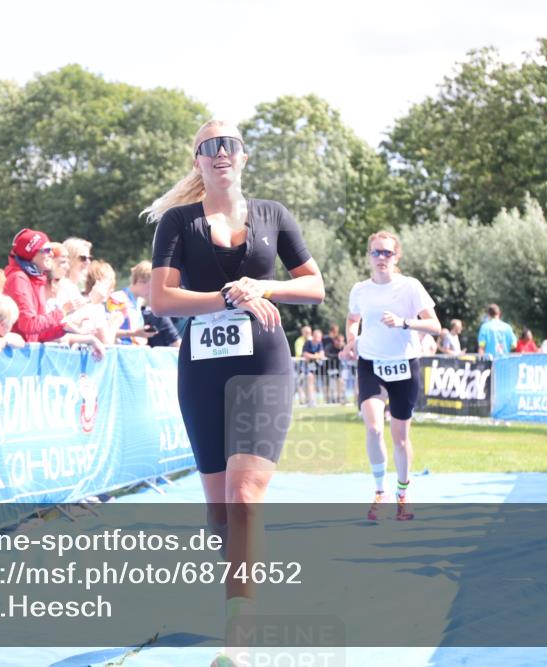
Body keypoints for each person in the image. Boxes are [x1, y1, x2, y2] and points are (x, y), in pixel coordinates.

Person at [146, 119, 323, 664]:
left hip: (263, 364)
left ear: (244, 157)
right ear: (196, 160)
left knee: (245, 497)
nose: (221, 153)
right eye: (209, 146)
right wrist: (227, 298)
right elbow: (161, 298)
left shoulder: (274, 215)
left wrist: (263, 286)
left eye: (230, 145)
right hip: (201, 369)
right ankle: (241, 591)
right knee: (220, 513)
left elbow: (314, 286)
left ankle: (238, 641)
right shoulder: (177, 222)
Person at [340, 230, 440, 522]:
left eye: (387, 253)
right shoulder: (360, 289)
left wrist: (404, 323)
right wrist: (351, 340)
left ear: (397, 256)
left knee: (400, 437)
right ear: (369, 256)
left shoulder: (410, 287)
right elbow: (352, 319)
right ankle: (380, 491)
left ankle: (402, 492)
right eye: (376, 252)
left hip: (404, 364)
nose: (381, 257)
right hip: (370, 363)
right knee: (373, 428)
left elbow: (435, 325)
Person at [108, 261, 157, 345]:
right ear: (140, 280)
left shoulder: (139, 302)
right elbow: (107, 332)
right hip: (120, 352)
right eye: (151, 285)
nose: (152, 290)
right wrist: (134, 333)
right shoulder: (117, 299)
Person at [301, 328, 325, 407]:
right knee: (308, 383)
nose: (319, 339)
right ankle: (310, 401)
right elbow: (305, 354)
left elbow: (322, 354)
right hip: (307, 368)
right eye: (318, 337)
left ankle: (312, 400)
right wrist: (316, 356)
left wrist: (313, 356)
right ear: (314, 336)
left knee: (313, 384)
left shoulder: (320, 344)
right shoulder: (308, 343)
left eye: (320, 337)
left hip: (316, 368)